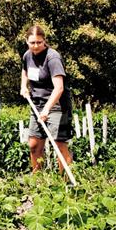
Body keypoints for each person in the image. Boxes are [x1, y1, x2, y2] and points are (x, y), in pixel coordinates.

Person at [21, 25, 73, 173]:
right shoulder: (27, 55)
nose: (36, 46)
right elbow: (25, 70)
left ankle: (66, 183)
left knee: (59, 145)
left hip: (57, 106)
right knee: (33, 144)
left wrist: (47, 109)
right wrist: (24, 86)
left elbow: (59, 88)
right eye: (32, 43)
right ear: (27, 41)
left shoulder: (53, 58)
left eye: (39, 42)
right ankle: (38, 179)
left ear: (44, 41)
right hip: (36, 104)